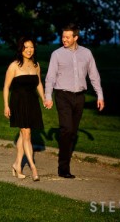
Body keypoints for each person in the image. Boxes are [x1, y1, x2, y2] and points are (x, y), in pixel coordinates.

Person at [44, 23, 105, 179]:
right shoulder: (56, 54)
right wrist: (48, 96)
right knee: (66, 129)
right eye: (63, 36)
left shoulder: (87, 53)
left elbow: (94, 75)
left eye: (67, 37)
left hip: (79, 97)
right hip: (62, 95)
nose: (64, 39)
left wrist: (100, 95)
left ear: (75, 37)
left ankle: (65, 161)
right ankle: (63, 168)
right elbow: (50, 77)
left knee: (72, 132)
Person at [3, 37, 45, 182]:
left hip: (32, 102)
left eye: (32, 47)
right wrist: (6, 105)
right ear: (21, 49)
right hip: (18, 102)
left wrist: (44, 98)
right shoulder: (14, 66)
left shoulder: (36, 65)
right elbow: (6, 87)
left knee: (24, 134)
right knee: (26, 133)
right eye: (26, 47)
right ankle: (33, 167)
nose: (29, 50)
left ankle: (16, 165)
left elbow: (38, 83)